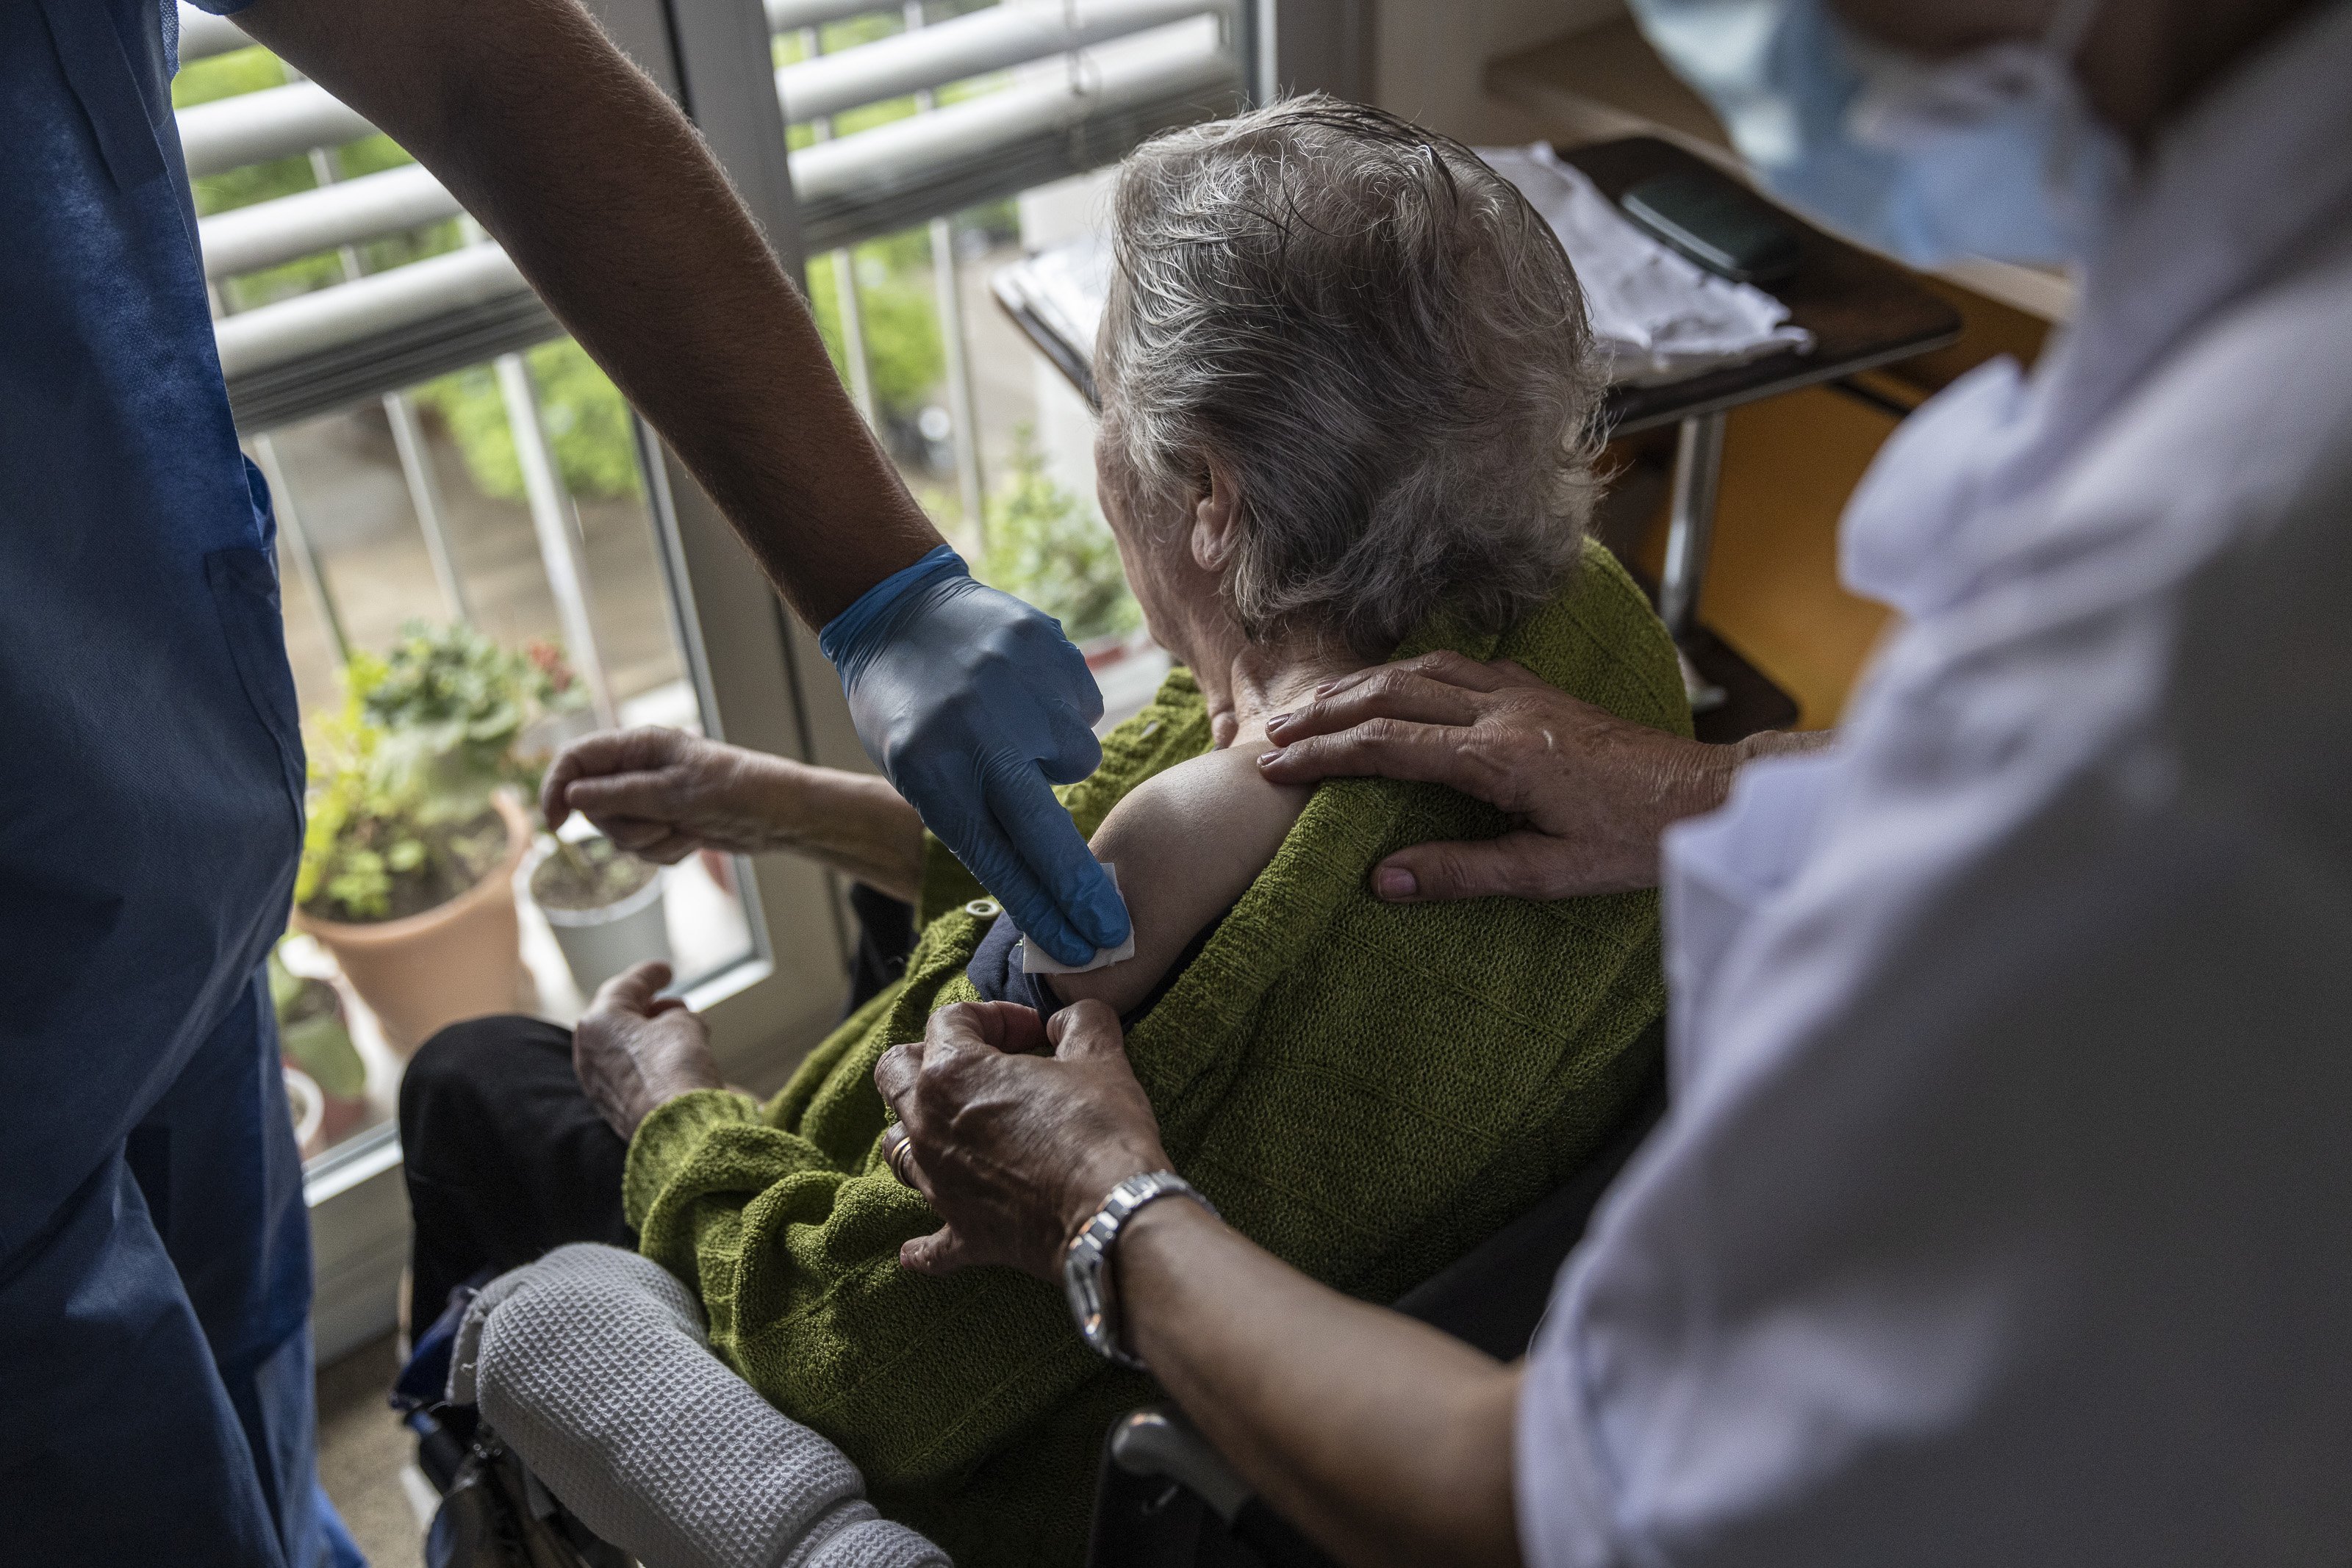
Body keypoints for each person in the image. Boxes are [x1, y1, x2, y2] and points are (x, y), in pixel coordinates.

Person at [862, 1, 2352, 1565]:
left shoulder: (2187, 626)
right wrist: (1721, 784)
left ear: (1208, 500)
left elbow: (1574, 1513)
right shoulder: (1600, 638)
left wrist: (1101, 1210)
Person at [403, 99, 1690, 1567]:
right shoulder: (1583, 651)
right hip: (1439, 1323)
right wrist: (752, 796)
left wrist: (675, 1110)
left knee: (468, 1078)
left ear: (1208, 494)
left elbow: (849, 1354)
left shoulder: (1167, 881)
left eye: (1108, 408)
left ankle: (492, 1492)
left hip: (1031, 1458)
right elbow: (1047, 866)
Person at [0, 0, 1116, 1560]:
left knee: (395, 1165)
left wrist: (674, 1114)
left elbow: (480, 56)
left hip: (156, 871)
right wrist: (768, 791)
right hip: (91, 906)